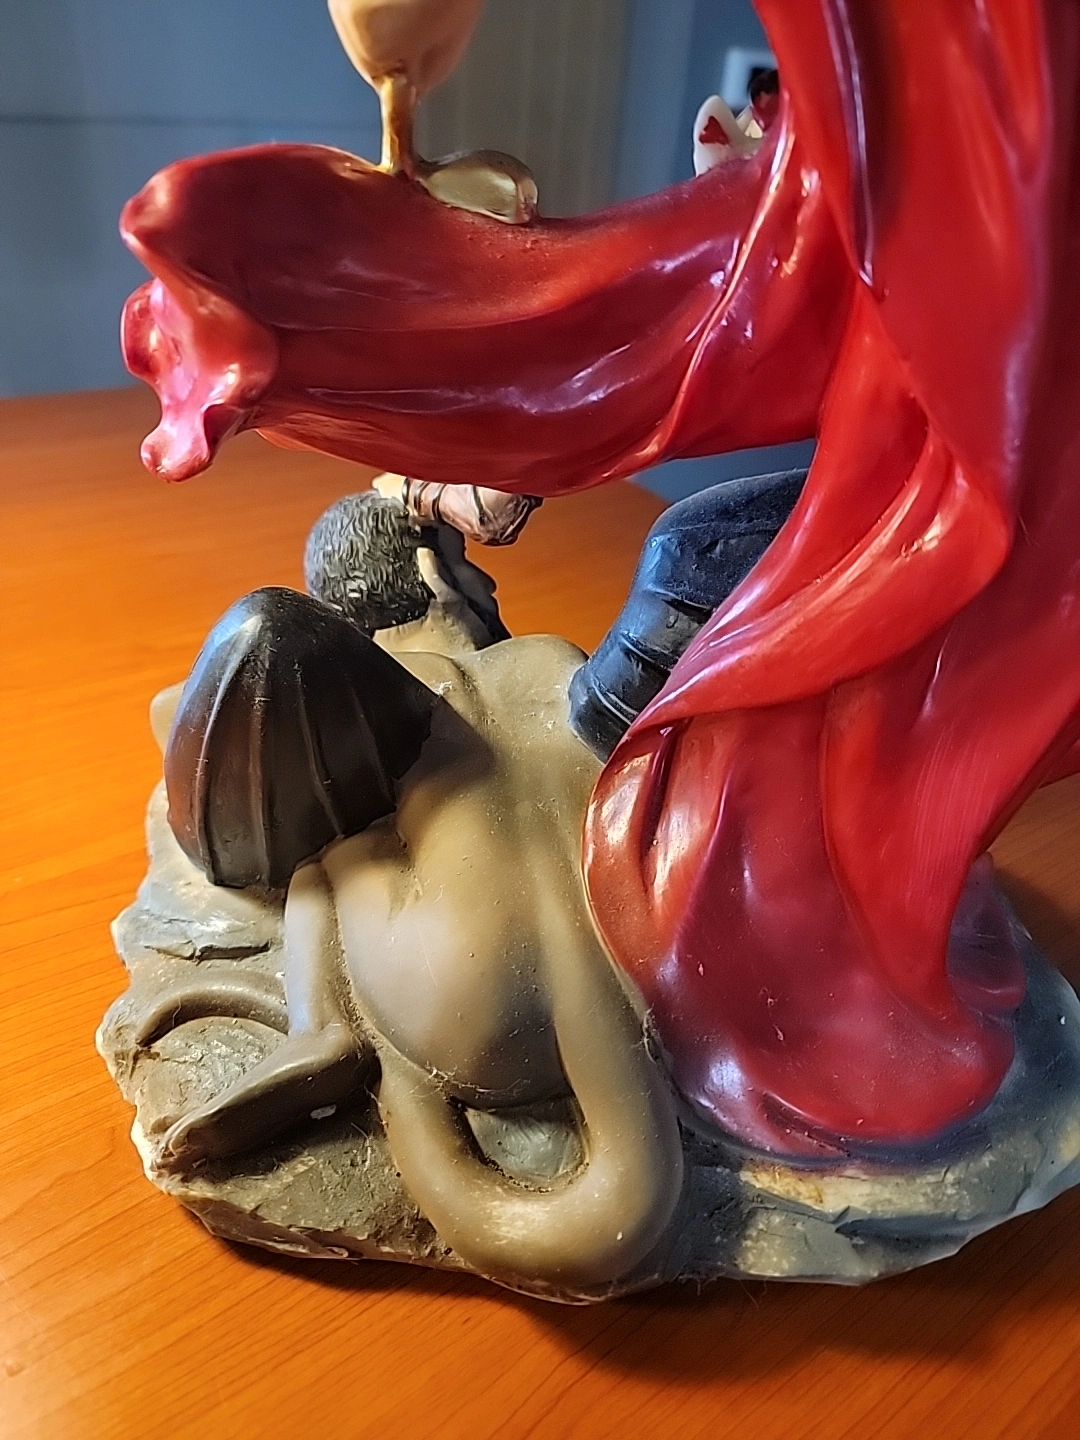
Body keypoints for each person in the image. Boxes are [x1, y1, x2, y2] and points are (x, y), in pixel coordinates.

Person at [115, 571, 683, 1292]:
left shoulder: (348, 709)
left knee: (328, 861)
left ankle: (324, 1030)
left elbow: (169, 712)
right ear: (439, 582)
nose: (485, 574)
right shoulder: (542, 656)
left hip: (470, 1009)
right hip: (631, 948)